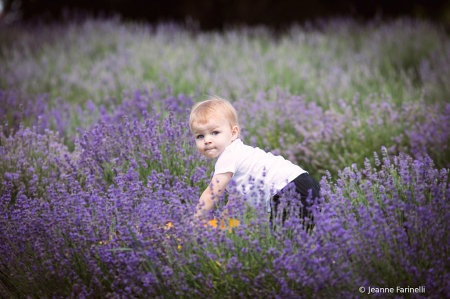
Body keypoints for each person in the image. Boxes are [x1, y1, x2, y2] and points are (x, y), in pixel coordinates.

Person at [190, 95, 321, 231]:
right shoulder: (239, 153)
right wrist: (221, 226)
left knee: (284, 241)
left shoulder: (229, 156)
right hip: (303, 183)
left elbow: (211, 194)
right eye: (200, 136)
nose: (207, 140)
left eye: (215, 132)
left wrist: (193, 223)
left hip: (290, 189)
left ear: (233, 133)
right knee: (300, 239)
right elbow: (234, 201)